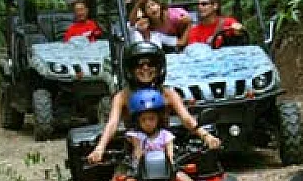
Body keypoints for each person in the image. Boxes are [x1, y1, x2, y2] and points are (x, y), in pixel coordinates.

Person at [86, 41, 220, 165]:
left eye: (150, 64)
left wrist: (206, 136)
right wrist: (100, 149)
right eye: (139, 64)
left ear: (158, 68)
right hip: (133, 156)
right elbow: (112, 124)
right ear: (131, 69)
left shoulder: (169, 93)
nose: (145, 68)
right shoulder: (122, 96)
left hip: (166, 150)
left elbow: (186, 118)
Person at [101, 89, 200, 181]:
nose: (148, 123)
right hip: (141, 170)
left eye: (151, 119)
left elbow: (170, 153)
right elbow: (137, 152)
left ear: (158, 119)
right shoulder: (136, 135)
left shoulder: (165, 135)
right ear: (138, 121)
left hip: (164, 168)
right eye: (143, 120)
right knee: (128, 180)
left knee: (180, 175)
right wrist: (136, 163)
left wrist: (172, 163)